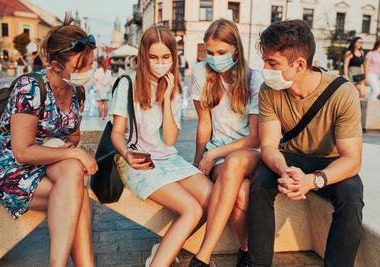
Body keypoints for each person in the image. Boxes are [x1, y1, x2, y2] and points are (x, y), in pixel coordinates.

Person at [239, 19, 364, 267]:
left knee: (350, 197)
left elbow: (352, 159)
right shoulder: (268, 90)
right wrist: (284, 170)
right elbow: (269, 147)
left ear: (299, 65)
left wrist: (313, 180)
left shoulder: (343, 92)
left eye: (272, 63)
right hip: (291, 157)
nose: (265, 68)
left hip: (330, 160)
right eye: (265, 61)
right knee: (261, 184)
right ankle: (257, 263)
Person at [0, 13, 97, 266]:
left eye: (90, 64)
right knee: (77, 192)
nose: (87, 71)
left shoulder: (77, 90)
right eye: (80, 68)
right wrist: (73, 153)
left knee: (73, 176)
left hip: (43, 163)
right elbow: (22, 152)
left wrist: (67, 148)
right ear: (56, 66)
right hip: (6, 165)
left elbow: (72, 137)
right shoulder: (30, 87)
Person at [110, 25, 212, 267]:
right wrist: (126, 153)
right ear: (144, 56)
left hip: (168, 156)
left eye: (166, 57)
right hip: (138, 159)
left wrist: (166, 99)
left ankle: (163, 248)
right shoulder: (127, 83)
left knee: (212, 198)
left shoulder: (174, 87)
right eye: (153, 57)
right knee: (191, 209)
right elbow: (116, 134)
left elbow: (169, 140)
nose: (160, 62)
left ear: (173, 57)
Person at [188, 18, 262, 267]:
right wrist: (198, 161)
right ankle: (247, 252)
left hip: (249, 152)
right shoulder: (201, 72)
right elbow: (204, 123)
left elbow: (255, 137)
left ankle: (203, 256)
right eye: (210, 52)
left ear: (236, 51)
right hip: (219, 154)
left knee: (234, 163)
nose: (214, 57)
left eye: (221, 52)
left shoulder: (254, 80)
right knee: (241, 192)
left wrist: (214, 153)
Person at [94, 56, 112, 120]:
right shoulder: (108, 71)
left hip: (99, 89)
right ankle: (105, 117)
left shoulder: (98, 71)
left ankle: (100, 117)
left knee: (100, 103)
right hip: (106, 89)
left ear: (98, 63)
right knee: (105, 103)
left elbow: (95, 80)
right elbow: (110, 80)